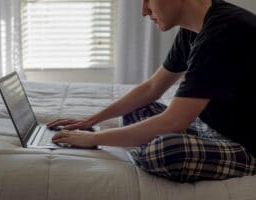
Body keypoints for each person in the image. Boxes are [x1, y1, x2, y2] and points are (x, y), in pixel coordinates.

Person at [48, 0, 256, 182]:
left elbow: (174, 121)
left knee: (166, 151)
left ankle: (143, 148)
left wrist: (94, 139)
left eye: (148, 0)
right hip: (210, 127)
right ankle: (139, 143)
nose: (144, 11)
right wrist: (90, 121)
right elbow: (151, 88)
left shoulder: (226, 31)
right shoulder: (194, 28)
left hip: (245, 145)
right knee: (135, 111)